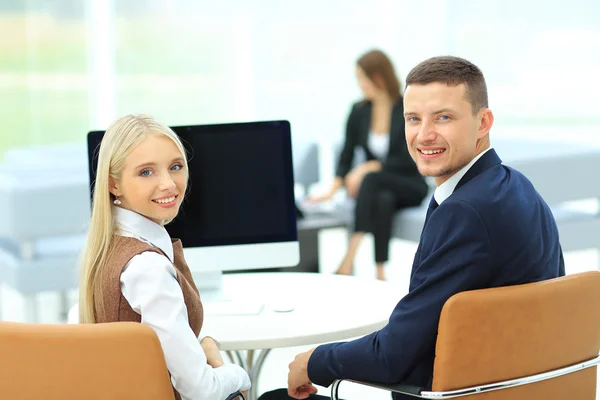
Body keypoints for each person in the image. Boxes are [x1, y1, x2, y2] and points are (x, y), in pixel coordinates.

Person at [259, 56, 566, 400]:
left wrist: (314, 361)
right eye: (413, 119)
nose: (424, 135)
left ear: (483, 122)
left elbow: (392, 356)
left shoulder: (466, 212)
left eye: (444, 118)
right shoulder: (515, 186)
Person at [78, 114, 251, 400]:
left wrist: (201, 347)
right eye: (146, 172)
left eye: (175, 167)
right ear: (113, 184)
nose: (169, 184)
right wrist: (238, 373)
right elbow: (201, 391)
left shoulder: (109, 247)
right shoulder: (147, 266)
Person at [307, 49, 428, 281]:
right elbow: (347, 153)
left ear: (379, 77)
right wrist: (332, 189)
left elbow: (408, 157)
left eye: (362, 77)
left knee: (372, 179)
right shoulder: (359, 111)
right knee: (383, 200)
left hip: (410, 184)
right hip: (385, 188)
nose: (360, 84)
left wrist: (368, 167)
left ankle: (348, 258)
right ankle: (380, 273)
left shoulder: (405, 108)